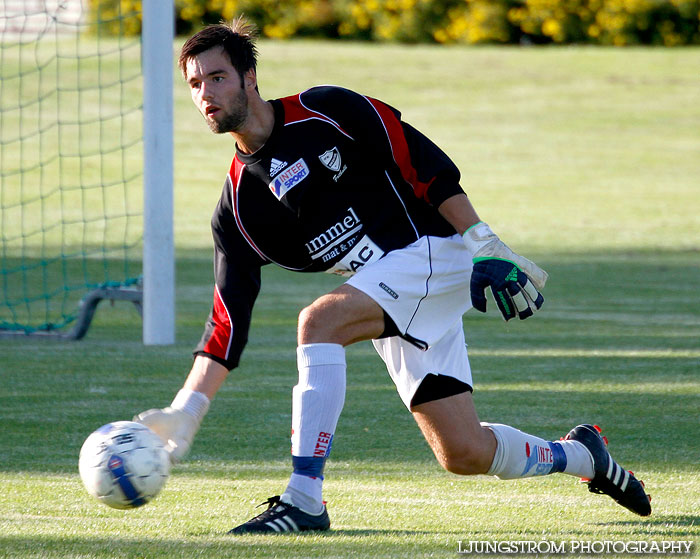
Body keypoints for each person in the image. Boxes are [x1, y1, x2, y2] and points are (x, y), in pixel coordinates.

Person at [135, 17, 651, 534]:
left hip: (434, 251)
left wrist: (481, 240)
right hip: (393, 291)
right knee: (464, 452)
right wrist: (187, 410)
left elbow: (422, 161)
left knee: (319, 322)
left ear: (249, 76)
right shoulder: (240, 207)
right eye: (195, 84)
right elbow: (229, 316)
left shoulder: (326, 110)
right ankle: (584, 457)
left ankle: (304, 499)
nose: (206, 94)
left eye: (218, 77)